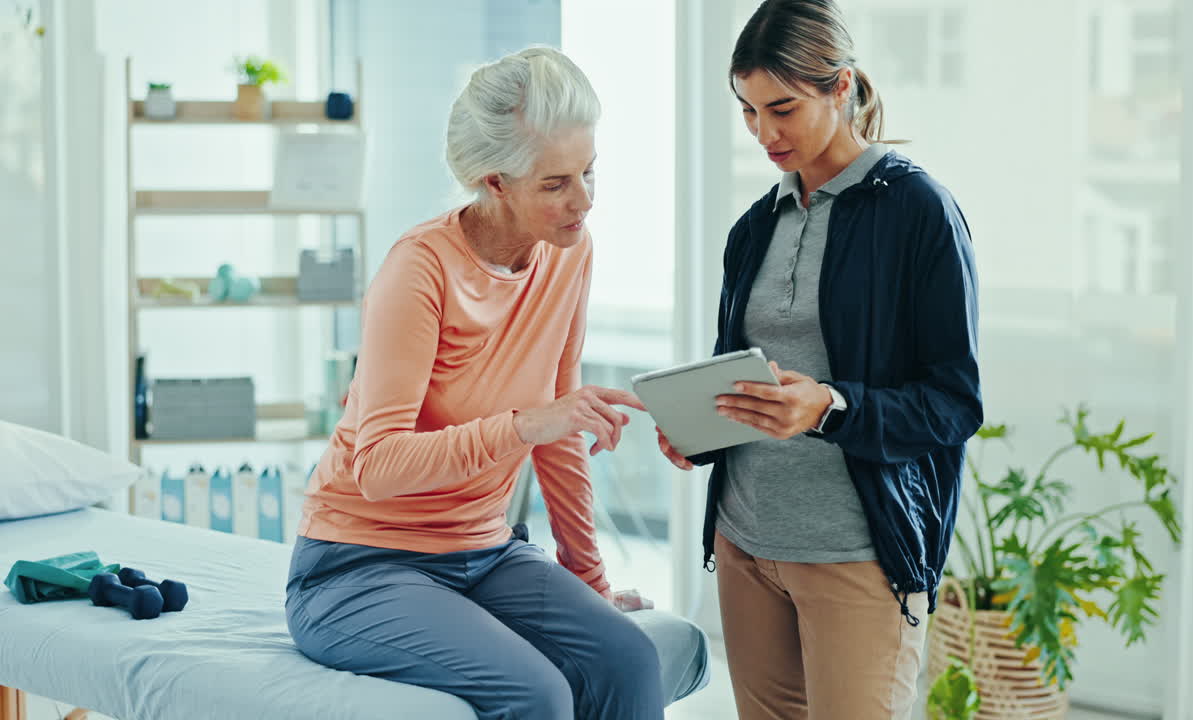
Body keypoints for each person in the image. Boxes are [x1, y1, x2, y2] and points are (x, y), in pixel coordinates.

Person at [286, 46, 665, 720]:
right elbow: (376, 468)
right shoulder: (420, 271)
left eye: (589, 172)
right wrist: (525, 424)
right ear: (495, 182)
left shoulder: (569, 253)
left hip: (483, 553)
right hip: (357, 566)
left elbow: (561, 434)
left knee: (632, 658)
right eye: (555, 184)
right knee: (537, 692)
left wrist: (589, 580)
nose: (582, 200)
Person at [656, 1, 983, 717]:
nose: (763, 133)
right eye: (746, 111)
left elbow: (955, 404)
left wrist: (832, 406)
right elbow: (740, 372)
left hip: (857, 555)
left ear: (841, 88)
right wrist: (697, 432)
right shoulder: (754, 228)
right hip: (746, 546)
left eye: (782, 108)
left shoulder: (918, 212)